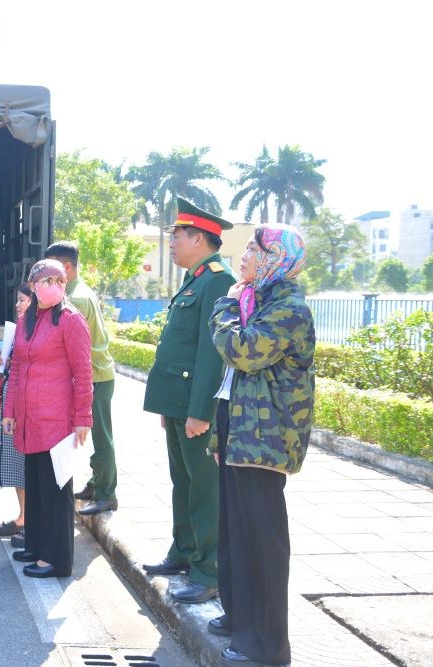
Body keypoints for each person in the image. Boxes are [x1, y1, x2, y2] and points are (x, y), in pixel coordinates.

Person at [208, 224, 315, 666]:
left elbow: (243, 352)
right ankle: (239, 617)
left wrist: (225, 305)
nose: (246, 254)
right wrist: (220, 435)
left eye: (256, 248)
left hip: (267, 440)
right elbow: (231, 382)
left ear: (276, 260)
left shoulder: (288, 309)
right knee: (235, 532)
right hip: (240, 431)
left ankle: (268, 644)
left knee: (263, 540)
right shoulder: (258, 301)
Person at [141, 197, 236, 604]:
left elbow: (209, 353)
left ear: (198, 238)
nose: (172, 243)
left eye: (177, 236)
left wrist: (200, 411)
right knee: (183, 482)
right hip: (178, 403)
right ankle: (183, 552)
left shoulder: (216, 280)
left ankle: (207, 569)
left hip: (195, 407)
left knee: (204, 489)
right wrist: (171, 406)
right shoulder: (194, 277)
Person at [2, 259, 93, 579]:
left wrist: (83, 418)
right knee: (37, 486)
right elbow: (17, 368)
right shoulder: (29, 318)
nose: (52, 285)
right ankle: (37, 546)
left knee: (56, 491)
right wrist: (10, 410)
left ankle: (57, 559)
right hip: (30, 419)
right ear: (33, 284)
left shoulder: (71, 321)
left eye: (58, 280)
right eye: (45, 280)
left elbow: (84, 373)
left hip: (56, 421)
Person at [44, 241, 118, 516]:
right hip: (96, 373)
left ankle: (107, 494)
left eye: (51, 269)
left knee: (101, 436)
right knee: (97, 434)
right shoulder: (74, 291)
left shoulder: (76, 298)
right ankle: (96, 484)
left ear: (66, 267)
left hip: (96, 376)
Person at [0, 283, 33, 540]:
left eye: (22, 300)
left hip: (23, 406)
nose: (17, 305)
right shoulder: (21, 330)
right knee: (17, 464)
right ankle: (23, 516)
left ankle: (28, 519)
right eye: (17, 300)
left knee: (23, 463)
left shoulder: (34, 331)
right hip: (12, 404)